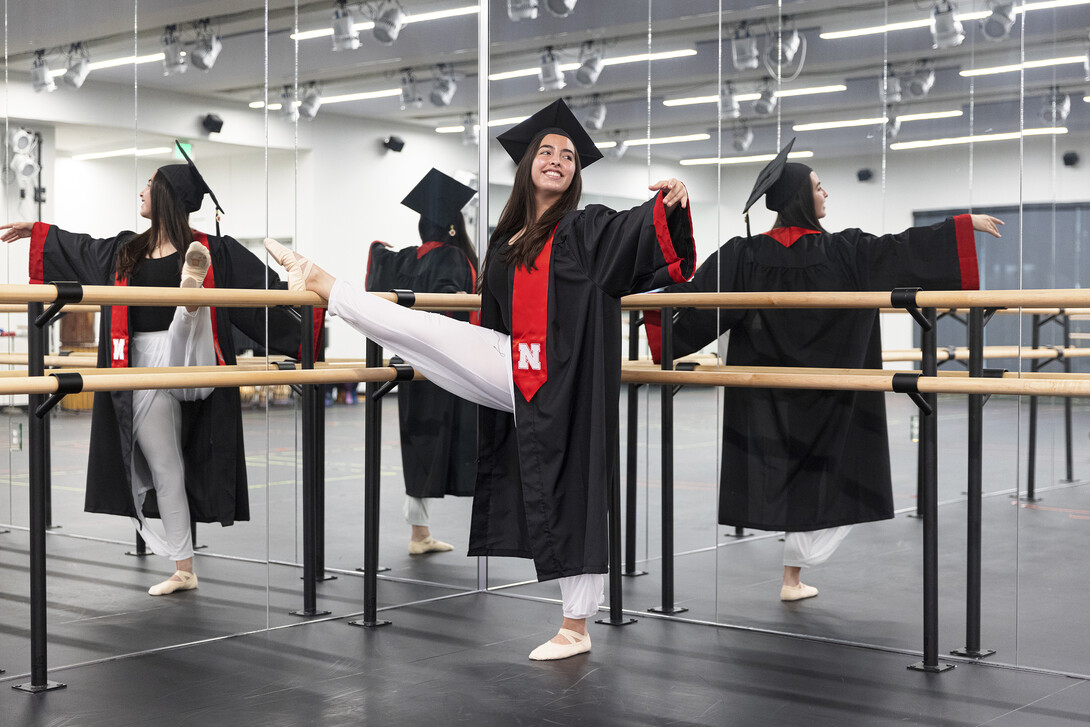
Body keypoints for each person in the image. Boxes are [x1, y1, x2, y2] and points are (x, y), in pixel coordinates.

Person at [266, 99, 696, 660]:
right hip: (512, 363)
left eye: (567, 155)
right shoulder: (507, 239)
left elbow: (640, 235)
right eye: (546, 151)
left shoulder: (587, 229)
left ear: (575, 175)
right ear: (527, 166)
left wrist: (669, 202)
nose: (557, 159)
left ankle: (576, 627)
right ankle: (324, 283)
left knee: (574, 481)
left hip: (562, 381)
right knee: (420, 335)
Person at [644, 139, 1002, 602]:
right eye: (818, 187)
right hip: (834, 393)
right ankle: (792, 577)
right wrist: (959, 228)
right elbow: (900, 250)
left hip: (768, 398)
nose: (825, 194)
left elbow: (694, 301)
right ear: (800, 197)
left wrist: (650, 314)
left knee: (787, 471)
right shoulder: (845, 252)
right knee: (827, 475)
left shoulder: (744, 255)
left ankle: (792, 579)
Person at [1, 143, 320, 596]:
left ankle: (190, 302)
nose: (142, 190)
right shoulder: (126, 251)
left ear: (167, 194)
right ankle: (183, 567)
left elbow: (258, 295)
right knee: (166, 465)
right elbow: (80, 249)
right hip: (143, 363)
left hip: (196, 359)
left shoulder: (217, 251)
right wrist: (38, 230)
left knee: (188, 327)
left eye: (150, 184)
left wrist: (303, 309)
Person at [365, 168, 479, 555]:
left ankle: (420, 534)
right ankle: (422, 535)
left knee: (418, 445)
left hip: (407, 362)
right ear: (452, 227)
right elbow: (456, 308)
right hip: (444, 363)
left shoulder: (403, 260)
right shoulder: (453, 257)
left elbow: (377, 258)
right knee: (452, 442)